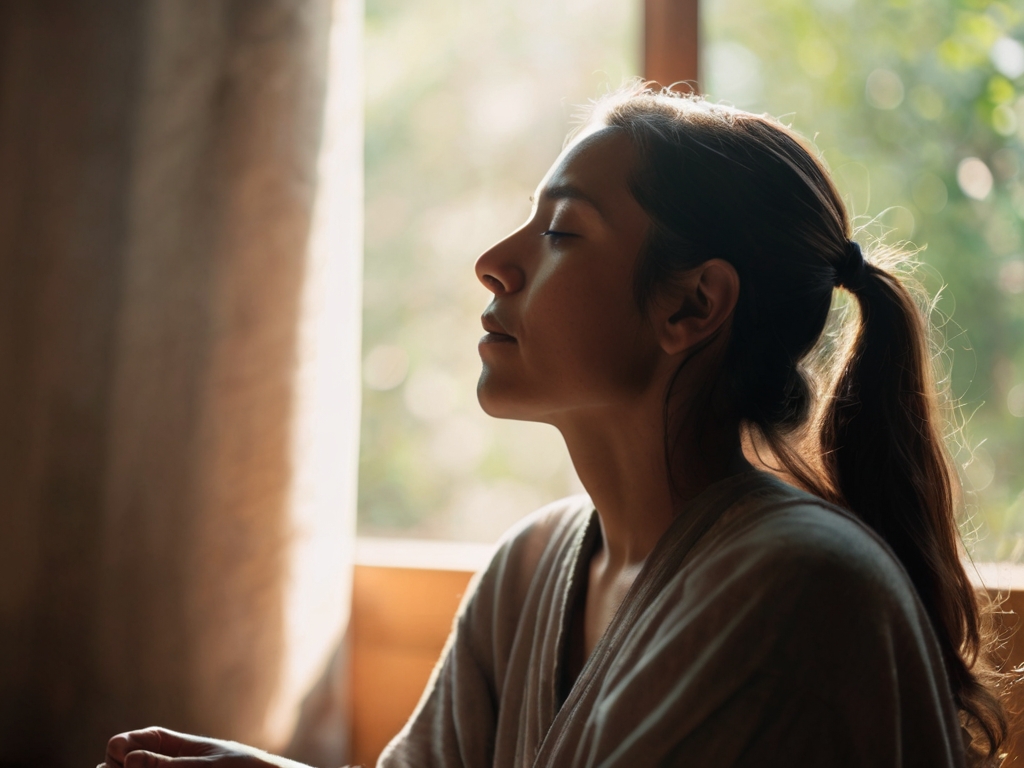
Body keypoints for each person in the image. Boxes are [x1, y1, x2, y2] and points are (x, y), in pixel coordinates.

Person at [102, 84, 1010, 768]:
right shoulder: (532, 567)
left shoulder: (795, 589)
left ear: (692, 305)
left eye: (563, 232)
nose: (494, 264)